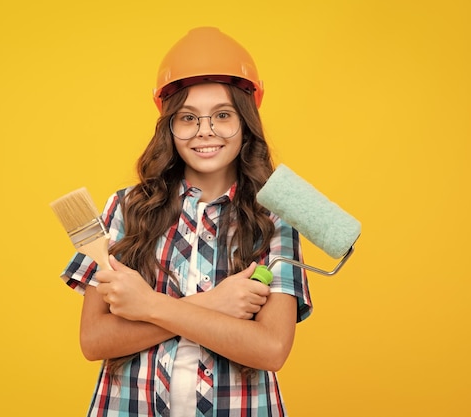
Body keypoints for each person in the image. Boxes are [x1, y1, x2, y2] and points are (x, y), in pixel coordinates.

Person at [60, 27, 312, 417]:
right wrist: (213, 304)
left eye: (223, 116)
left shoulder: (275, 218)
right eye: (188, 117)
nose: (205, 131)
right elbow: (94, 340)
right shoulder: (127, 208)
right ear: (169, 126)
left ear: (246, 122)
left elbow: (271, 349)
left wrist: (149, 305)